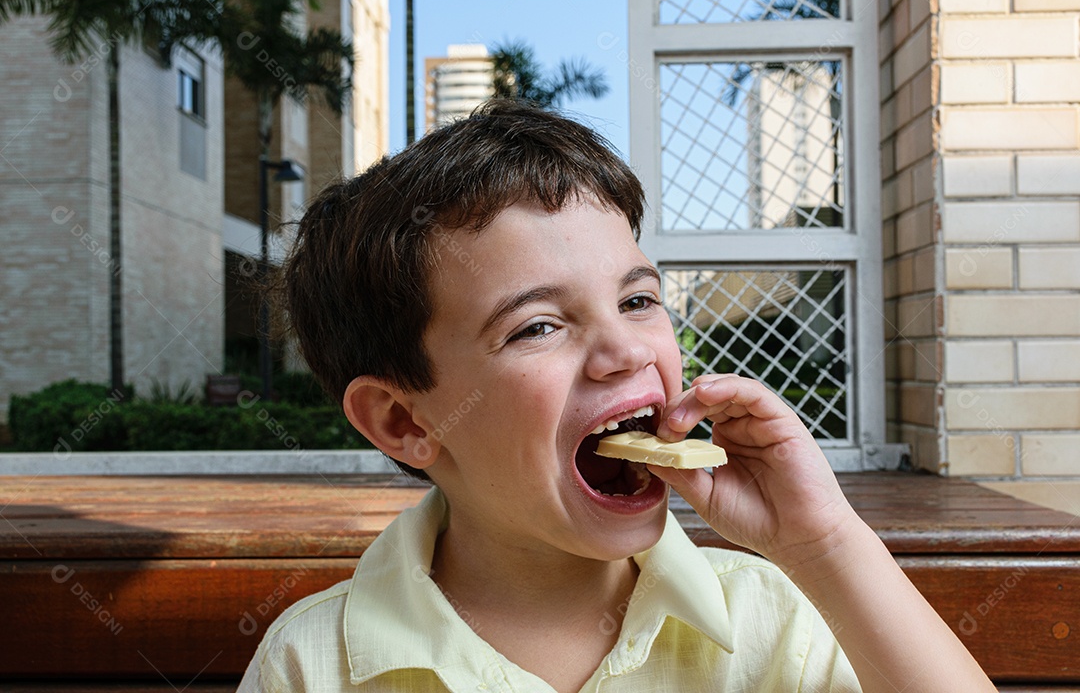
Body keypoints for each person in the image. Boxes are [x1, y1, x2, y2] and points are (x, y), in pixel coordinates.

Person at [238, 99, 995, 692]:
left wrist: (825, 546)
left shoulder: (771, 618)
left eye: (637, 301)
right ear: (405, 420)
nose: (627, 350)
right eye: (536, 326)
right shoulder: (315, 665)